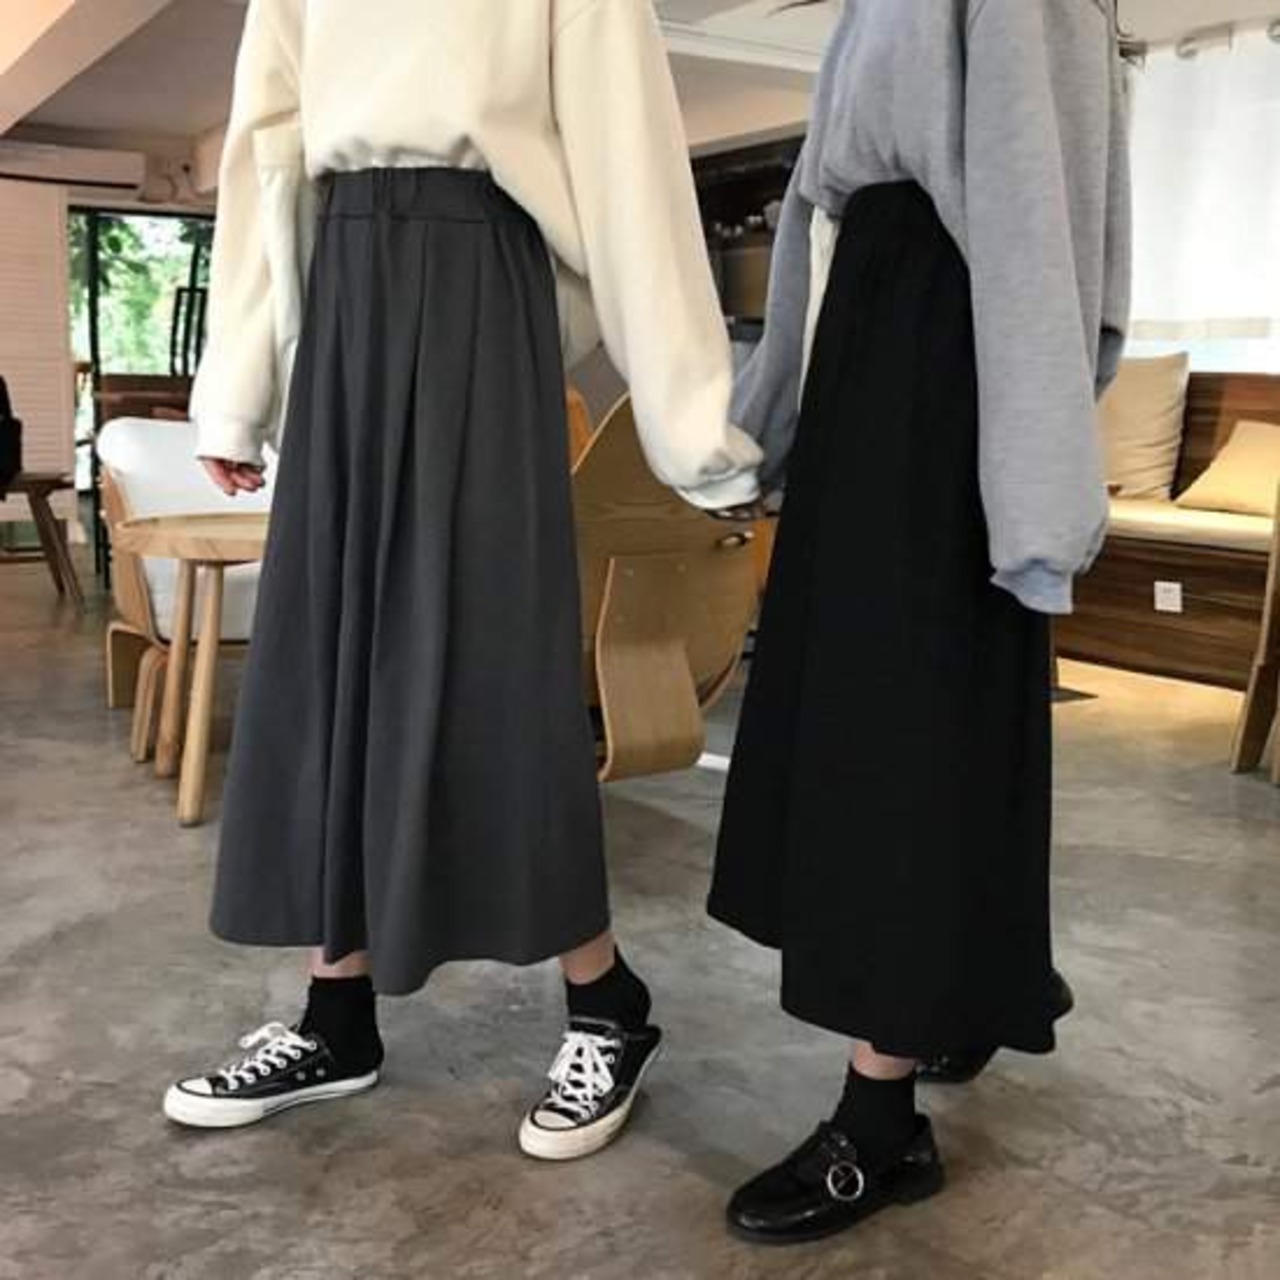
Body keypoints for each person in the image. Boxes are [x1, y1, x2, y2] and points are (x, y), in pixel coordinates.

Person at [162, 0, 762, 1162]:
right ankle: (336, 1011)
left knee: (494, 661)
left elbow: (629, 169)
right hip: (346, 288)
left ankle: (606, 1001)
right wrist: (237, 384)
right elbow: (265, 153)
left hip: (481, 278)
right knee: (330, 660)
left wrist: (695, 430)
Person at [708, 0, 1132, 1244]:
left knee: (903, 731)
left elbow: (1036, 218)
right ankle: (972, 978)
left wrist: (1039, 496)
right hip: (881, 340)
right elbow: (812, 215)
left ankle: (879, 1122)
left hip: (946, 352)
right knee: (891, 717)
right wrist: (767, 417)